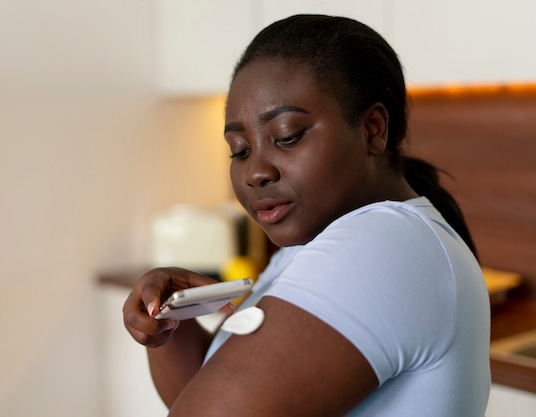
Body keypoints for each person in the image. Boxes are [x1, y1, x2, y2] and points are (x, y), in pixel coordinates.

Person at [123, 14, 490, 416]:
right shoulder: (307, 247)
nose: (256, 172)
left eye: (287, 137)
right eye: (240, 149)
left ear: (372, 129)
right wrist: (170, 324)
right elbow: (196, 397)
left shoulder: (384, 244)